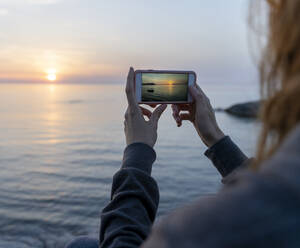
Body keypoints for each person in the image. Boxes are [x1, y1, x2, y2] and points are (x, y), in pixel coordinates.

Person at [66, 0, 300, 247]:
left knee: (81, 245)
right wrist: (217, 139)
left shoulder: (193, 233)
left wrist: (137, 153)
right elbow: (264, 200)